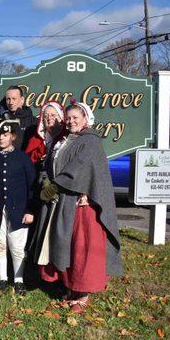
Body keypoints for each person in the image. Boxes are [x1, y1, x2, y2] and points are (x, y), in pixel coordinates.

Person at [34, 102, 123, 313]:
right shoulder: (66, 140)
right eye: (69, 117)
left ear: (85, 119)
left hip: (84, 206)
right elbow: (54, 165)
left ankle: (83, 294)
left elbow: (79, 168)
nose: (71, 121)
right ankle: (71, 288)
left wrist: (55, 186)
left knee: (83, 249)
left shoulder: (90, 141)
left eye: (76, 117)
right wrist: (48, 181)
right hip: (66, 201)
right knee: (67, 245)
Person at [0, 118, 36, 295]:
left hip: (19, 209)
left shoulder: (22, 157)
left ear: (13, 136)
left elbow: (32, 185)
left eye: (5, 134)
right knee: (0, 244)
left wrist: (30, 210)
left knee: (17, 247)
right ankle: (2, 278)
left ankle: (18, 280)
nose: (1, 138)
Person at [25, 101, 67, 170]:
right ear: (42, 121)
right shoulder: (36, 140)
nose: (49, 118)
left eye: (53, 115)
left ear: (60, 118)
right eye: (45, 116)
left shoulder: (68, 137)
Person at [0, 85, 37, 150]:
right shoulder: (1, 122)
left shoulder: (34, 122)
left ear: (22, 100)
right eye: (8, 99)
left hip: (27, 159)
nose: (11, 102)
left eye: (14, 99)